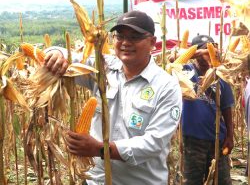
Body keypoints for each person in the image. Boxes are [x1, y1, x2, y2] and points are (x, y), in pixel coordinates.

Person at [44, 10, 182, 185]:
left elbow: (153, 144)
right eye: (120, 36)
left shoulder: (166, 86)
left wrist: (99, 149)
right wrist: (56, 53)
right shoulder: (102, 68)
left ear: (152, 42)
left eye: (134, 37)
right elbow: (67, 56)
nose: (125, 43)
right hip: (96, 180)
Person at [181, 34, 234, 185]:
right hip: (192, 139)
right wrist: (195, 52)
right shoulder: (184, 71)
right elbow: (171, 62)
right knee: (192, 181)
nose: (211, 53)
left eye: (212, 48)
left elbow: (227, 107)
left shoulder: (220, 74)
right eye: (206, 50)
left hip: (218, 139)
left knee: (222, 180)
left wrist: (230, 135)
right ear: (195, 53)